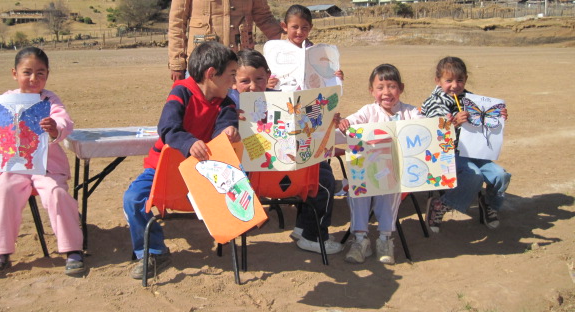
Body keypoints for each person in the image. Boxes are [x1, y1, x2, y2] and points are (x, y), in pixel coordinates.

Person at [123, 41, 240, 280]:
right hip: (162, 169)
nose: (234, 81)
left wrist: (228, 132)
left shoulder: (226, 103)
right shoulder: (181, 92)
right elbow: (168, 127)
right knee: (133, 199)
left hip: (203, 173)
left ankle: (230, 239)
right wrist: (188, 143)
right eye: (231, 74)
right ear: (211, 74)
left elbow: (225, 126)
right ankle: (154, 251)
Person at [0, 46, 83, 277]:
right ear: (15, 73)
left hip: (47, 167)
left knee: (56, 193)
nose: (34, 78)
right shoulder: (2, 101)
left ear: (47, 74)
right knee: (3, 191)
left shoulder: (49, 100)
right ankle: (0, 252)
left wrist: (54, 128)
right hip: (13, 167)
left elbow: (64, 122)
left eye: (40, 73)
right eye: (27, 72)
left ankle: (72, 248)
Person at [231, 48, 343, 255]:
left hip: (283, 167)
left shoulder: (284, 100)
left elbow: (307, 124)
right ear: (233, 81)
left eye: (259, 79)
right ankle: (313, 237)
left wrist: (329, 119)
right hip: (250, 176)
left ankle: (304, 229)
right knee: (324, 181)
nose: (253, 86)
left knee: (324, 172)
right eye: (245, 81)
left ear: (268, 76)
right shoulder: (229, 106)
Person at [337, 64, 422, 265]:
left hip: (396, 175)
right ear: (371, 91)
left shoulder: (410, 112)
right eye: (380, 87)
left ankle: (385, 239)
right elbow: (349, 125)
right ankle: (360, 240)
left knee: (390, 188)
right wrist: (344, 123)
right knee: (358, 190)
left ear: (401, 88)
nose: (386, 92)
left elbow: (424, 127)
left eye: (392, 86)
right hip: (368, 172)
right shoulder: (368, 111)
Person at [422, 56, 510, 233]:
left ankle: (489, 203)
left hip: (474, 152)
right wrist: (453, 123)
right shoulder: (434, 102)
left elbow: (484, 122)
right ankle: (441, 204)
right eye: (449, 80)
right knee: (473, 176)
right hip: (447, 154)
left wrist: (498, 117)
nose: (455, 85)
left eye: (460, 80)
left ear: (466, 79)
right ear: (438, 80)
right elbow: (433, 133)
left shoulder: (472, 100)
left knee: (500, 175)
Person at [269, 4, 344, 88]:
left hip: (310, 95)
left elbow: (326, 75)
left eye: (304, 27)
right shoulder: (276, 52)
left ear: (310, 27)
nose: (299, 32)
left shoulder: (317, 53)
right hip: (286, 95)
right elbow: (264, 76)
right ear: (285, 26)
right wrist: (268, 82)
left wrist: (336, 76)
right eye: (294, 27)